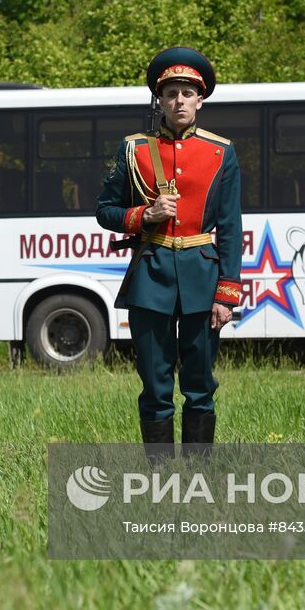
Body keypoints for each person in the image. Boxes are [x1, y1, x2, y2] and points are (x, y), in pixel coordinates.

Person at [96, 46, 243, 457]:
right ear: (159, 99)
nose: (179, 100)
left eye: (188, 92)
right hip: (151, 276)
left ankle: (197, 476)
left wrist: (227, 292)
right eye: (172, 93)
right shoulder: (133, 150)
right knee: (155, 384)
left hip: (203, 276)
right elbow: (104, 210)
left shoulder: (221, 152)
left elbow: (231, 227)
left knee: (200, 384)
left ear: (201, 99)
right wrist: (144, 216)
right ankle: (159, 475)